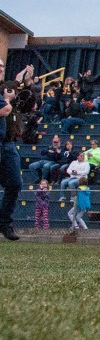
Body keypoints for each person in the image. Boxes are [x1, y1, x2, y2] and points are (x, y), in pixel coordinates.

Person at [0, 77, 21, 240]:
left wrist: (27, 83)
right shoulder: (5, 99)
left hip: (8, 143)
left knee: (15, 183)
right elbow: (4, 111)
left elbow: (28, 103)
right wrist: (7, 100)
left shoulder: (8, 93)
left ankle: (4, 223)